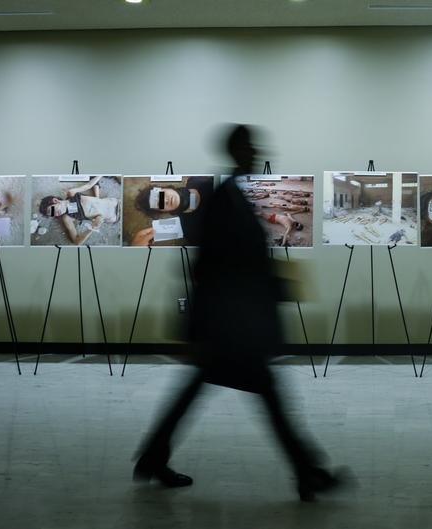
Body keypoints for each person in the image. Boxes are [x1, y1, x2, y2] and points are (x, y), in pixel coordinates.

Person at [133, 124, 347, 501]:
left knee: (205, 391)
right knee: (269, 398)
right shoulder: (224, 198)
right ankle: (307, 472)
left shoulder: (231, 195)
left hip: (230, 322)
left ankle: (152, 457)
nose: (257, 152)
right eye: (249, 146)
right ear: (235, 151)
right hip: (232, 324)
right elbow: (209, 266)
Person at [37, 175, 119, 245]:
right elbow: (76, 241)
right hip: (115, 216)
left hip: (116, 202)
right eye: (52, 215)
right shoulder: (67, 218)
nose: (56, 214)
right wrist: (92, 227)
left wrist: (101, 174)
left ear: (55, 201)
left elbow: (88, 185)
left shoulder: (71, 193)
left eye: (52, 210)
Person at [128, 179, 210, 246]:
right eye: (160, 204)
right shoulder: (191, 231)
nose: (166, 200)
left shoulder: (195, 180)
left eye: (161, 195)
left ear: (166, 188)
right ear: (163, 212)